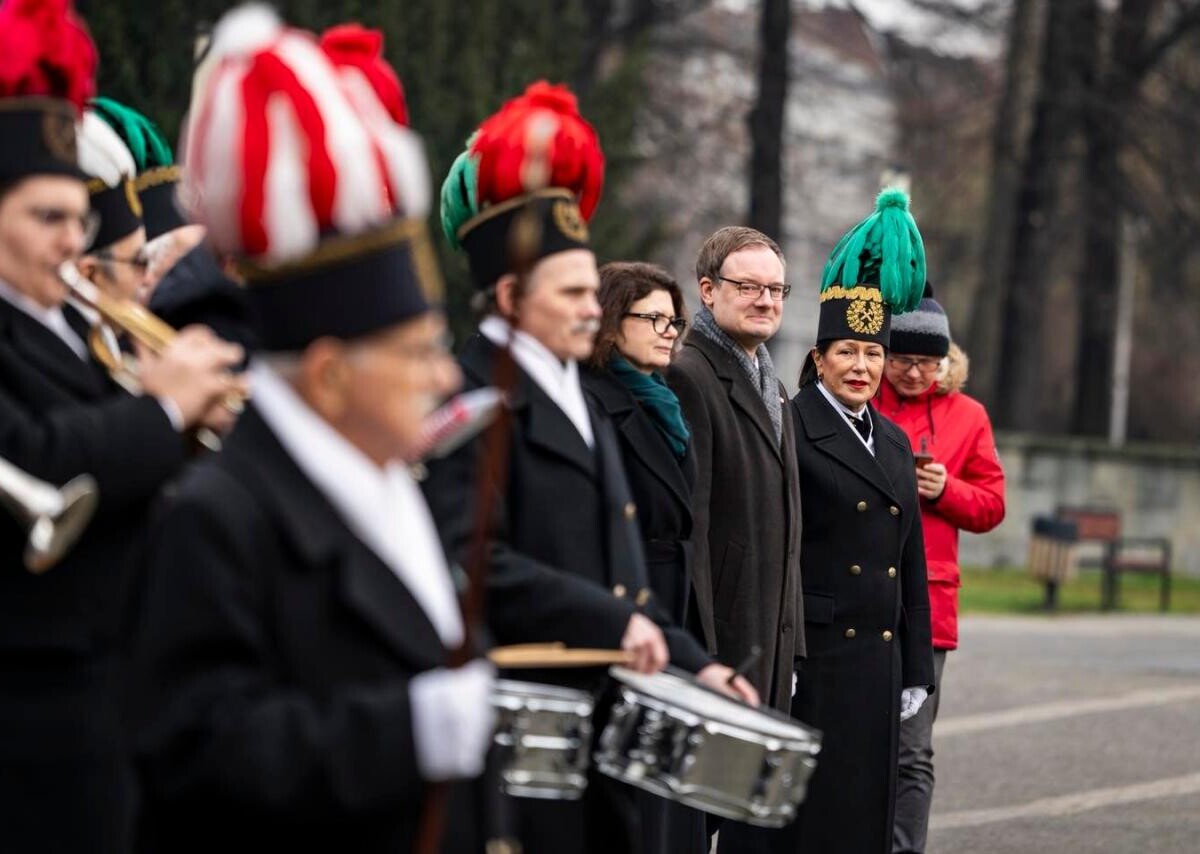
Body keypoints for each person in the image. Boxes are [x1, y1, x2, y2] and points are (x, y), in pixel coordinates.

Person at [127, 9, 495, 853]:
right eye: (414, 352)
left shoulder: (383, 477)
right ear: (329, 373)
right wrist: (403, 733)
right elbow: (194, 754)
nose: (443, 377)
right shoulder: (218, 515)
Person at [426, 82, 754, 854]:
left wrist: (697, 666)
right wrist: (616, 623)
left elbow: (626, 576)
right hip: (517, 736)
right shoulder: (466, 402)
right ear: (509, 294)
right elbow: (470, 560)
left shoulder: (579, 391)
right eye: (571, 292)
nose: (589, 309)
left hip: (600, 727)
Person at [0, 3, 244, 851]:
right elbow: (36, 459)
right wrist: (164, 409)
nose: (72, 242)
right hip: (32, 720)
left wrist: (183, 426)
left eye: (78, 218)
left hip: (120, 694)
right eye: (46, 218)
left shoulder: (72, 329)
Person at [724, 188, 936, 854]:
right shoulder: (790, 424)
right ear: (818, 360)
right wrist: (779, 652)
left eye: (873, 356)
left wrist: (918, 668)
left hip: (878, 655)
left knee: (863, 812)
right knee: (805, 818)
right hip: (814, 655)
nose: (862, 367)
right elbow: (776, 543)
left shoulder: (897, 442)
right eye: (847, 353)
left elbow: (911, 562)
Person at [584, 261, 710, 854]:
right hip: (630, 600)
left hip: (673, 595)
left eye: (673, 320)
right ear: (613, 322)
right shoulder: (596, 400)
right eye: (652, 318)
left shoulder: (664, 401)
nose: (668, 331)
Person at [874, 286, 1006, 854]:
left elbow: (992, 505)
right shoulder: (861, 398)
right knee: (851, 738)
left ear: (946, 360)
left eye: (928, 362)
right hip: (859, 592)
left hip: (929, 605)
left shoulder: (969, 416)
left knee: (911, 748)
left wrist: (947, 490)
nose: (913, 372)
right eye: (902, 359)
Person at [667, 226, 804, 713]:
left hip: (770, 640)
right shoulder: (687, 375)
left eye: (775, 289)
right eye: (748, 287)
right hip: (721, 644)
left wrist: (794, 646)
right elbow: (691, 528)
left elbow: (790, 529)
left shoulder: (779, 390)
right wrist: (700, 654)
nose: (765, 301)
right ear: (708, 291)